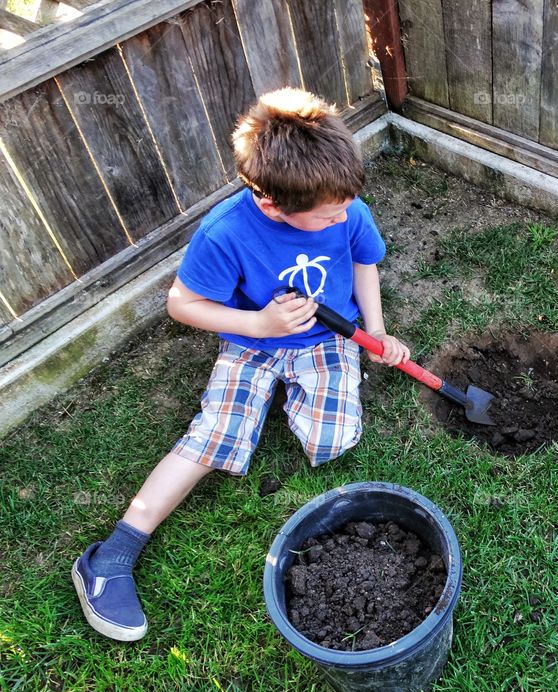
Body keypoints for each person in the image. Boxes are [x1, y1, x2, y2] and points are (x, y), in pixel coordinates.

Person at [72, 87, 409, 641]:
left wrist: (373, 331)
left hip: (328, 337)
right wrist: (258, 326)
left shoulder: (346, 207)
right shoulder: (225, 231)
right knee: (217, 434)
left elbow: (364, 260)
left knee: (335, 439)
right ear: (272, 204)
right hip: (254, 340)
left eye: (346, 206)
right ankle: (111, 556)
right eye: (328, 215)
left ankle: (283, 399)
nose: (343, 217)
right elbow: (181, 304)